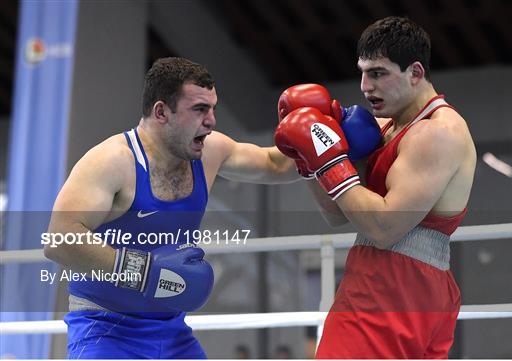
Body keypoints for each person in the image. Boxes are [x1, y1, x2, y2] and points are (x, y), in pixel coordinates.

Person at [44, 57, 299, 359]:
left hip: (172, 329)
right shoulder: (113, 162)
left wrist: (326, 138)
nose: (211, 121)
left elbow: (275, 165)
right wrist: (146, 274)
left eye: (212, 108)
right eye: (199, 109)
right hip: (106, 329)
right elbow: (60, 239)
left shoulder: (210, 151)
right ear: (161, 111)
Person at [275, 16, 476, 358]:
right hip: (401, 283)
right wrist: (308, 162)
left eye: (379, 73)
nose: (366, 86)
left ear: (415, 72)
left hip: (393, 286)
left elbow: (384, 228)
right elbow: (339, 213)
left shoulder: (437, 133)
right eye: (363, 72)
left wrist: (328, 160)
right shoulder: (386, 127)